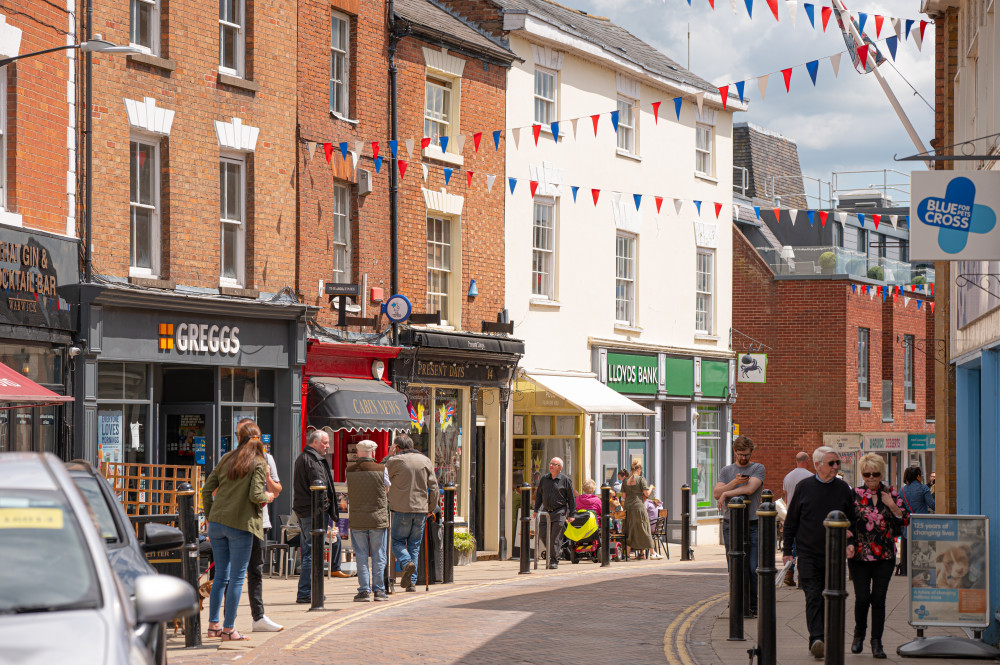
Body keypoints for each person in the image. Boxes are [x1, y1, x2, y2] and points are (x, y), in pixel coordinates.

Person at [782, 446, 857, 660]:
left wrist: (851, 541)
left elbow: (853, 520)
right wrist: (788, 551)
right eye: (831, 463)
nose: (835, 467)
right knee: (813, 596)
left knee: (831, 598)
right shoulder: (804, 487)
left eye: (837, 463)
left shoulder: (843, 489)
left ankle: (827, 637)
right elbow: (791, 522)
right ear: (817, 465)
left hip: (834, 556)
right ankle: (817, 638)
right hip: (807, 554)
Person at [201, 422, 274, 641]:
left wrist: (209, 515)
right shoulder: (259, 462)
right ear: (259, 438)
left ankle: (213, 626)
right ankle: (229, 630)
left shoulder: (226, 458)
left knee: (220, 575)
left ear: (238, 438)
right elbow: (255, 496)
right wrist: (268, 497)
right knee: (237, 578)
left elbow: (206, 489)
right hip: (241, 525)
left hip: (217, 524)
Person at [849, 453, 908, 659]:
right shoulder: (854, 494)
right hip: (859, 556)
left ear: (881, 473)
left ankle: (877, 642)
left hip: (885, 555)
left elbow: (906, 519)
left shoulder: (891, 492)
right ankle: (858, 636)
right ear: (862, 474)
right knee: (862, 598)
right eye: (867, 474)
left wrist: (891, 505)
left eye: (875, 474)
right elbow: (846, 520)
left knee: (879, 599)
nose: (871, 478)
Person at [235, 417, 284, 633]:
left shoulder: (267, 459)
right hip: (236, 521)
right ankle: (226, 622)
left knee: (255, 571)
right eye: (240, 435)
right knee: (231, 573)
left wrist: (265, 476)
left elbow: (276, 490)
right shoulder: (231, 459)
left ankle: (258, 617)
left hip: (259, 522)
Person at [293, 429, 347, 606]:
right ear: (314, 442)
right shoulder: (313, 460)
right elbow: (319, 486)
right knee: (312, 552)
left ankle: (306, 591)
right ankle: (306, 592)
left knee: (309, 551)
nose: (328, 446)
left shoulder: (303, 457)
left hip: (305, 510)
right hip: (313, 513)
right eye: (325, 442)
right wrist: (324, 508)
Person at [714, 435, 765, 616]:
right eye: (740, 454)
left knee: (752, 568)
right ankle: (737, 604)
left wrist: (726, 495)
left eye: (747, 454)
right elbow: (715, 492)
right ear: (735, 452)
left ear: (751, 452)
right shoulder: (727, 470)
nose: (744, 458)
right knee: (734, 567)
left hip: (752, 525)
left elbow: (750, 489)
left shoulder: (757, 468)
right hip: (731, 525)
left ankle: (752, 605)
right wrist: (734, 482)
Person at [385, 433, 439, 591]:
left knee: (397, 542)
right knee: (414, 545)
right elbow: (434, 487)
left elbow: (381, 473)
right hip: (421, 510)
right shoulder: (425, 460)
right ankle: (411, 583)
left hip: (401, 510)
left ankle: (407, 562)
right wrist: (430, 508)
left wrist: (389, 455)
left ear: (397, 447)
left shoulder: (394, 461)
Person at [346, 440, 390, 602]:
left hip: (357, 518)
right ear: (373, 453)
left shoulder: (349, 470)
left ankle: (364, 590)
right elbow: (387, 488)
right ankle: (379, 591)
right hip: (377, 518)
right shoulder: (381, 469)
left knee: (361, 555)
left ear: (358, 453)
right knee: (379, 554)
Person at [533, 457, 575, 569]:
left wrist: (572, 514)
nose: (551, 466)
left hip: (559, 511)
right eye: (550, 463)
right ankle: (555, 552)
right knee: (543, 534)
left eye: (554, 464)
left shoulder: (565, 480)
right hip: (546, 511)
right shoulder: (544, 479)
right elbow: (539, 495)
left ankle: (554, 560)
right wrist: (536, 509)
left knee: (556, 537)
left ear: (560, 467)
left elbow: (571, 498)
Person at [781, 452, 813, 586]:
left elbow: (786, 498)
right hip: (805, 516)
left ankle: (789, 573)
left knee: (792, 546)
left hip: (791, 515)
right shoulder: (811, 477)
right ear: (807, 461)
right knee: (805, 547)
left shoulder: (788, 477)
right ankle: (802, 576)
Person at [622, 460, 656, 559]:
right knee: (644, 527)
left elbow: (624, 496)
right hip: (638, 506)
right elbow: (647, 494)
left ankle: (627, 554)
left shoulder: (625, 480)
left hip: (628, 506)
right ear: (639, 469)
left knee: (629, 529)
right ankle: (652, 553)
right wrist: (650, 487)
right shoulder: (641, 479)